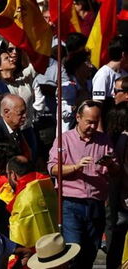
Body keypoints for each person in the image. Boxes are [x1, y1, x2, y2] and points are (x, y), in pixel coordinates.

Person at [47, 100, 115, 268]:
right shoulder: (64, 140)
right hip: (71, 203)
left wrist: (111, 165)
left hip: (96, 203)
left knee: (91, 251)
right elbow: (53, 168)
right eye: (89, 121)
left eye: (96, 121)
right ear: (78, 117)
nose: (93, 126)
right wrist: (76, 166)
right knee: (73, 251)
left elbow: (116, 170)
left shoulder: (104, 140)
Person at [5, 156, 58, 250]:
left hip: (35, 254)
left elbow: (17, 236)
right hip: (57, 245)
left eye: (7, 174)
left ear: (13, 174)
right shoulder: (47, 184)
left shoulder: (21, 199)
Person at [0, 94, 35, 160]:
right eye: (20, 113)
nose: (24, 116)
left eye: (25, 112)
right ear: (6, 112)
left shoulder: (16, 128)